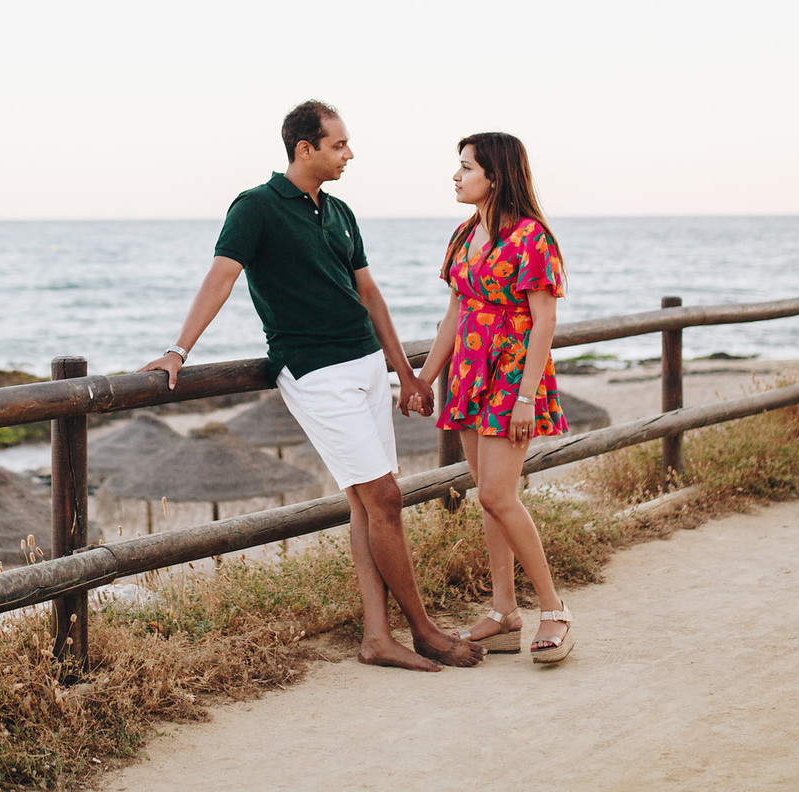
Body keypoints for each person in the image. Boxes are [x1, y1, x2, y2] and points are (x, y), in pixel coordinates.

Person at [140, 101, 484, 671]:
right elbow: (222, 277)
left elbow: (370, 295)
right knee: (387, 501)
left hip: (367, 363)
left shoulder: (341, 211)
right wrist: (180, 350)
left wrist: (406, 374)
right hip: (313, 372)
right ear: (305, 148)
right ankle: (423, 631)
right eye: (339, 145)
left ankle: (378, 637)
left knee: (365, 502)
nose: (350, 154)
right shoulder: (254, 207)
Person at [415, 132, 575, 664]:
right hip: (468, 373)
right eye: (458, 167)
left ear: (496, 175)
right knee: (488, 493)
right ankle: (505, 612)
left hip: (512, 376)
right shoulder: (464, 236)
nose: (456, 176)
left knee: (498, 495)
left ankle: (554, 610)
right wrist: (423, 378)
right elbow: (454, 318)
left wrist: (526, 397)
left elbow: (545, 321)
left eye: (466, 167)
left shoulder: (532, 237)